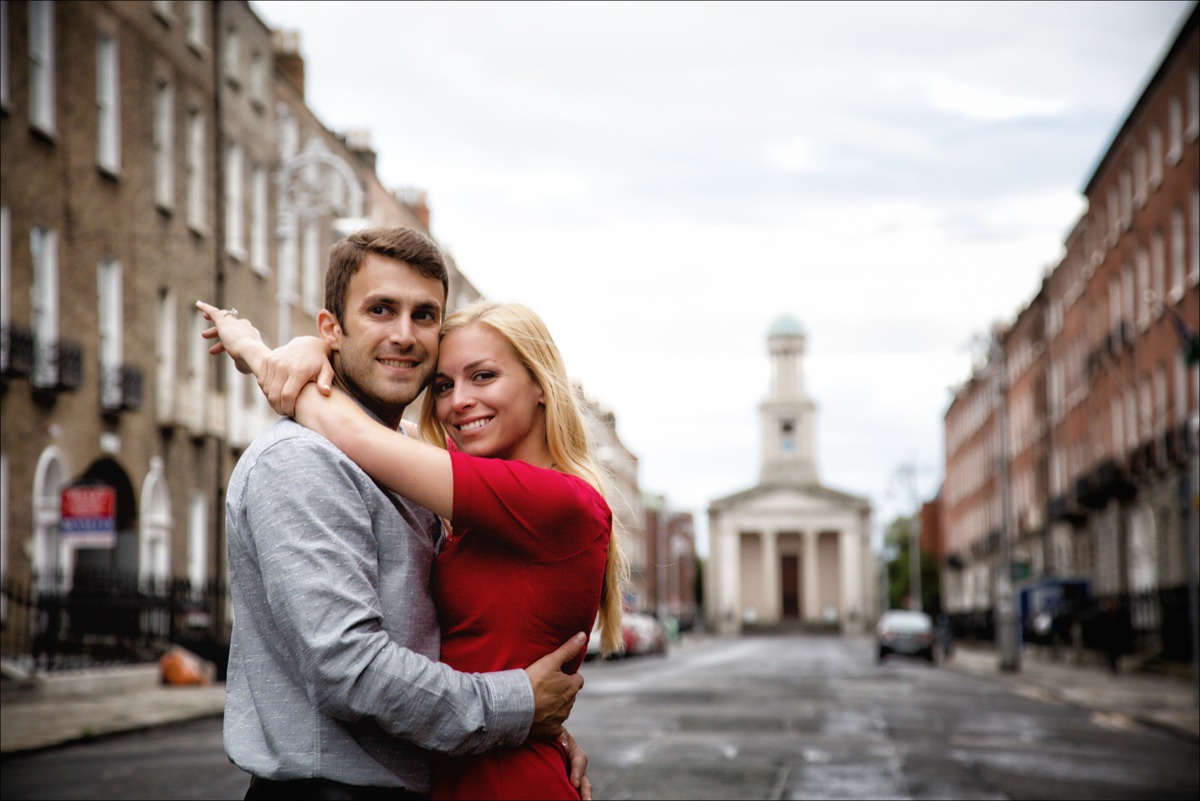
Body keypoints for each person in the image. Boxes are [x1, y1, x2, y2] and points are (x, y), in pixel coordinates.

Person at [195, 227, 597, 801]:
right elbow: (351, 670)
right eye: (381, 310)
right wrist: (517, 709)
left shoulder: (413, 467)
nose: (404, 335)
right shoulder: (301, 462)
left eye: (424, 315)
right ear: (333, 326)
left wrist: (533, 737)